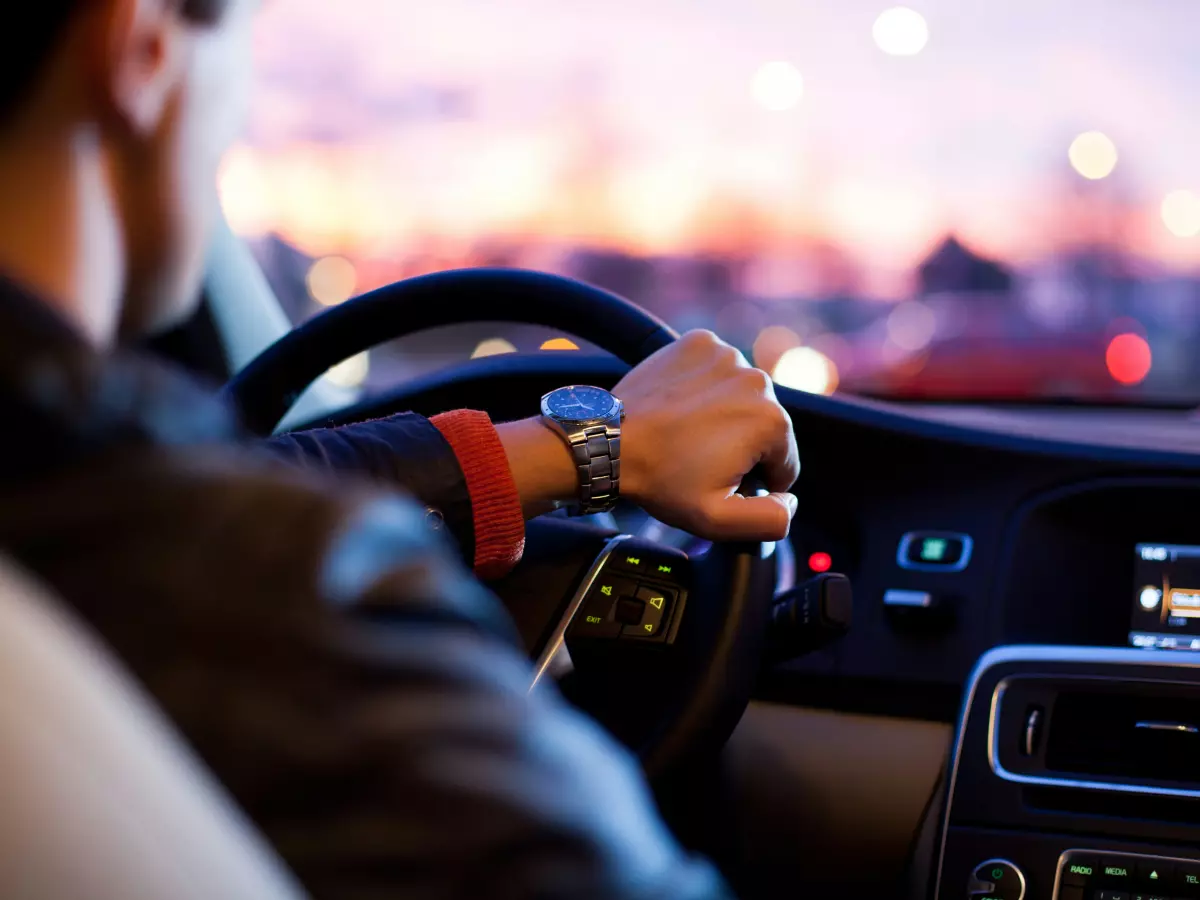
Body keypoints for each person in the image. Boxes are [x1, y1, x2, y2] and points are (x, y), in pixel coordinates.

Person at [0, 0, 800, 897]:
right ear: (144, 47)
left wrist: (587, 449)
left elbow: (232, 477)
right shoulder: (284, 593)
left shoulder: (76, 501)